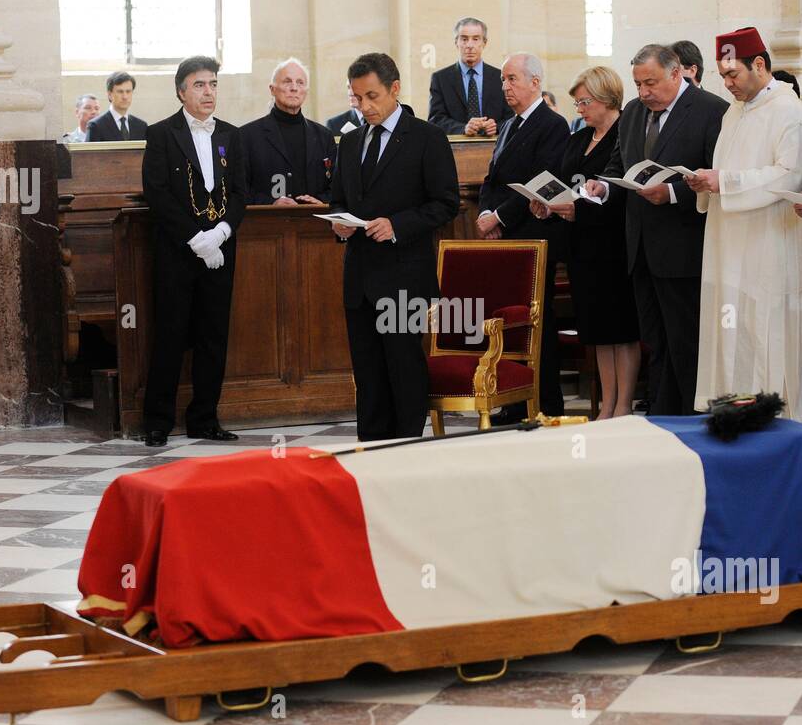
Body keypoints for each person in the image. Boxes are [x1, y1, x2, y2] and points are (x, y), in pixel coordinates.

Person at [685, 27, 802, 425]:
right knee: (735, 330)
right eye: (723, 76)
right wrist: (706, 181)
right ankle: (737, 416)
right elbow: (726, 170)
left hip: (772, 242)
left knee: (768, 328)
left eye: (733, 74)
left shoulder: (789, 111)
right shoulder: (733, 112)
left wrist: (726, 183)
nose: (728, 84)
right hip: (730, 243)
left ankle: (777, 419)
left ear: (760, 64)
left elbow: (791, 175)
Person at [583, 43, 728, 416]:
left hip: (685, 245)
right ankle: (663, 414)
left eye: (651, 82)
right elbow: (618, 165)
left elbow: (717, 174)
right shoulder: (632, 112)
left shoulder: (711, 110)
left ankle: (693, 417)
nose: (644, 92)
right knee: (656, 339)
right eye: (637, 84)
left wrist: (674, 193)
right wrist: (605, 186)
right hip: (641, 245)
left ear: (677, 74)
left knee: (687, 339)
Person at [331, 53, 459, 441]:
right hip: (360, 278)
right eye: (357, 98)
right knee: (368, 373)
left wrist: (398, 225)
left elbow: (446, 203)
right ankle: (370, 451)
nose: (365, 106)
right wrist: (340, 226)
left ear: (395, 89)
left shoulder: (427, 137)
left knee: (404, 368)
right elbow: (338, 200)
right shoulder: (350, 142)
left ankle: (406, 448)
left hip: (405, 276)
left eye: (372, 96)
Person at [140, 56, 246, 446]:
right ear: (181, 91)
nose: (208, 92)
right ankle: (157, 421)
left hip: (220, 252)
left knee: (213, 337)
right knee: (170, 335)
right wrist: (196, 239)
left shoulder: (232, 136)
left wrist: (220, 232)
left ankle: (205, 418)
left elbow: (240, 192)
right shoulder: (161, 134)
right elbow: (158, 194)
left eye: (213, 84)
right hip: (178, 254)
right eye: (200, 85)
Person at [534, 66, 640, 418]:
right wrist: (546, 203)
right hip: (581, 245)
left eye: (584, 101)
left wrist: (579, 210)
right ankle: (607, 401)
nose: (579, 109)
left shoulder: (627, 134)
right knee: (596, 330)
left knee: (621, 328)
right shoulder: (578, 138)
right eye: (577, 102)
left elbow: (625, 193)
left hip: (613, 243)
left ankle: (623, 403)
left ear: (607, 98)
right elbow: (566, 183)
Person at [476, 53, 572, 419]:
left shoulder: (552, 124)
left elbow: (541, 180)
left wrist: (500, 215)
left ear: (535, 82)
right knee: (510, 321)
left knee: (536, 321)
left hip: (534, 236)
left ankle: (544, 401)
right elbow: (492, 177)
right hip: (506, 239)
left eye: (512, 79)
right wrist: (487, 213)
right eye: (503, 80)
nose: (505, 86)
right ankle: (514, 400)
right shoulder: (509, 125)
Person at [242, 57, 333, 206]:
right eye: (287, 81)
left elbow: (337, 187)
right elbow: (238, 190)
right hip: (266, 224)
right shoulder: (247, 136)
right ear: (272, 89)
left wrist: (321, 202)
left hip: (314, 224)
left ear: (306, 91)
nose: (294, 88)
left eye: (300, 82)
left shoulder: (324, 136)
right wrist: (271, 203)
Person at [428, 17, 513, 136]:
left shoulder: (500, 77)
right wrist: (463, 128)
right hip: (456, 148)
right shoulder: (441, 79)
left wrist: (497, 128)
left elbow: (511, 117)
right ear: (456, 42)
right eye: (464, 39)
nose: (469, 45)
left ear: (484, 43)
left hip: (494, 147)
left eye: (476, 39)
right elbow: (435, 120)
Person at [86, 71, 148, 141]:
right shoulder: (96, 126)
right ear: (109, 95)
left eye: (128, 91)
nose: (125, 96)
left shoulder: (141, 126)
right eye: (120, 92)